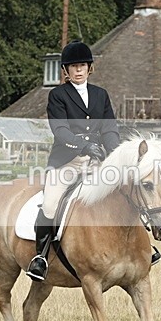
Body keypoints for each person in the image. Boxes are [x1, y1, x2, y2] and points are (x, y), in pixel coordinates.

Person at [26, 40, 120, 281]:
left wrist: (114, 154)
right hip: (67, 161)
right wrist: (84, 145)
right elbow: (60, 131)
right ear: (65, 71)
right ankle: (41, 257)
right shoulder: (58, 95)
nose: (78, 70)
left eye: (82, 65)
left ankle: (140, 248)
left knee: (125, 192)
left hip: (97, 160)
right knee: (50, 202)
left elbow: (109, 129)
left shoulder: (101, 94)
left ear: (90, 68)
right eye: (73, 66)